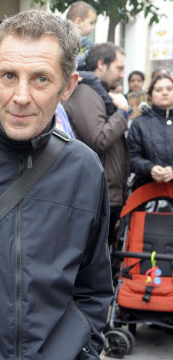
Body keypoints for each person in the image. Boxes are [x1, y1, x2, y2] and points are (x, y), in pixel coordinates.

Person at [0, 10, 113, 360]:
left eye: (40, 79)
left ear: (67, 86)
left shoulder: (85, 169)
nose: (20, 97)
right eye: (9, 76)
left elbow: (94, 287)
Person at [63, 42, 130, 246]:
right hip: (96, 194)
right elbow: (99, 139)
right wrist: (122, 113)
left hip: (106, 192)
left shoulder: (98, 92)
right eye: (119, 68)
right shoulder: (85, 92)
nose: (121, 75)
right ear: (101, 64)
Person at [128, 74, 173, 186]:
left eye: (169, 89)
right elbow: (132, 156)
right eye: (158, 90)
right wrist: (149, 168)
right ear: (150, 95)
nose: (165, 92)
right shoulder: (139, 123)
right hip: (147, 189)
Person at [66, 1, 97, 70]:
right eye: (91, 23)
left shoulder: (88, 45)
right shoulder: (62, 42)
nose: (93, 27)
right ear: (78, 22)